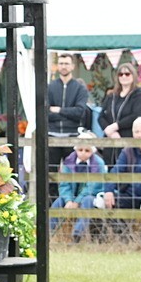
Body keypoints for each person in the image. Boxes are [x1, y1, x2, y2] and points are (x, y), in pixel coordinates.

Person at [96, 117, 141, 240]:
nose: (139, 135)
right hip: (130, 193)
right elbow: (115, 171)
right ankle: (124, 236)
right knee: (101, 200)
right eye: (137, 132)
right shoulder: (127, 150)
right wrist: (108, 190)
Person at [49, 132, 106, 242]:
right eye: (80, 150)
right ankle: (48, 232)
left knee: (87, 201)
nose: (83, 153)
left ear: (92, 151)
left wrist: (77, 201)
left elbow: (92, 186)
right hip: (72, 195)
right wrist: (68, 200)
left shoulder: (98, 163)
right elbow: (64, 184)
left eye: (87, 150)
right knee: (58, 202)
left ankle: (77, 234)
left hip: (93, 195)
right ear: (76, 149)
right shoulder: (68, 162)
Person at [47, 53, 89, 200]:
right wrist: (68, 113)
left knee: (72, 173)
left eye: (66, 63)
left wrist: (58, 110)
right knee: (50, 173)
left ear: (72, 66)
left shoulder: (80, 89)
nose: (63, 66)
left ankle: (71, 203)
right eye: (61, 63)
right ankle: (52, 204)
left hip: (72, 136)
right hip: (52, 136)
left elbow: (80, 112)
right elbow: (45, 112)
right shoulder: (50, 87)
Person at [100, 63, 141, 166]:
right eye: (120, 74)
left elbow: (137, 115)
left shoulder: (140, 95)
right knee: (110, 171)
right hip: (110, 141)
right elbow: (101, 116)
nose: (123, 76)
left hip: (129, 141)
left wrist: (116, 126)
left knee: (127, 170)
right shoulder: (111, 95)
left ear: (133, 75)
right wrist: (109, 131)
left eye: (127, 74)